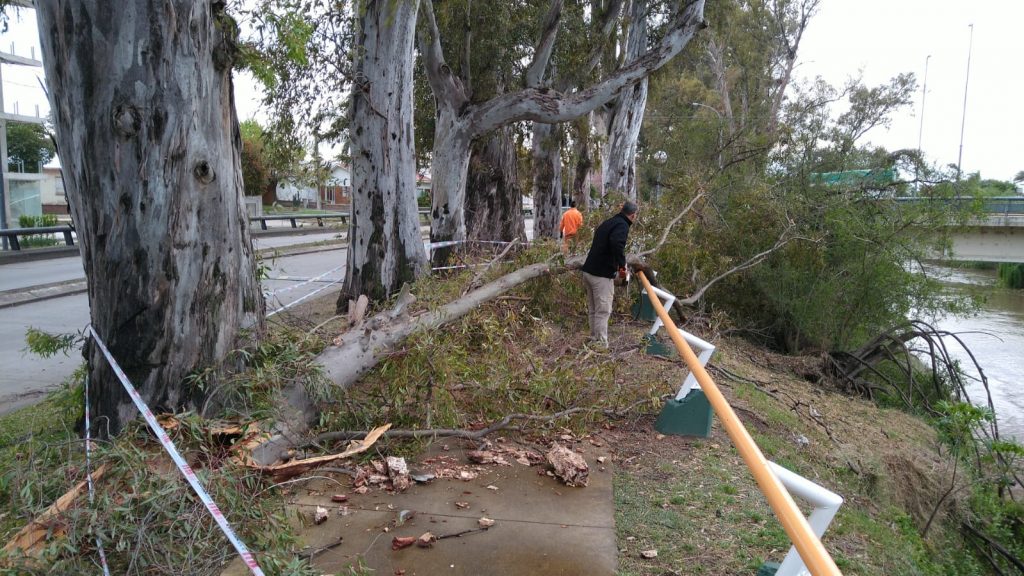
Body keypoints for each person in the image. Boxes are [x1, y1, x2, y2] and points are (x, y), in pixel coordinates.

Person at [580, 201, 638, 347]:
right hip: (601, 275)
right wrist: (622, 267)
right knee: (603, 310)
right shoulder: (622, 225)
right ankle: (601, 343)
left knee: (594, 309)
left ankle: (594, 338)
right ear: (633, 215)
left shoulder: (609, 222)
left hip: (589, 271)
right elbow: (616, 243)